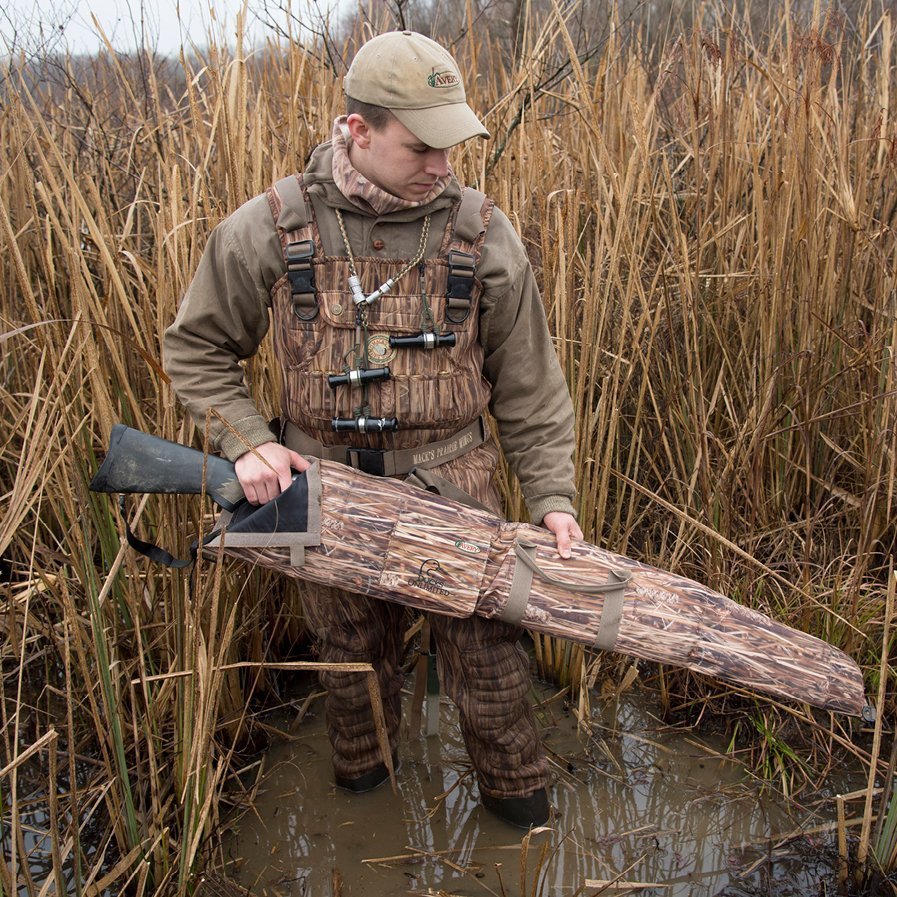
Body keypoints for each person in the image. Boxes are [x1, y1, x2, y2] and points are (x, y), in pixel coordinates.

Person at [163, 30, 582, 829]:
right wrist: (248, 441)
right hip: (327, 495)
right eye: (421, 146)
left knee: (495, 677)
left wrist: (552, 499)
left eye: (450, 145)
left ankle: (521, 830)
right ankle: (367, 838)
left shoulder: (481, 232)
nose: (442, 165)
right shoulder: (271, 225)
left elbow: (530, 384)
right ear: (357, 130)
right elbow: (196, 347)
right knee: (353, 685)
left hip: (456, 491)